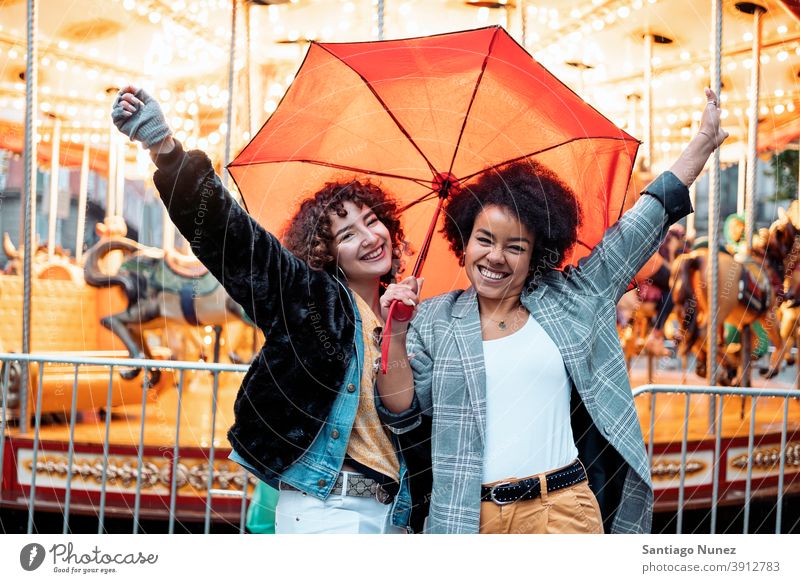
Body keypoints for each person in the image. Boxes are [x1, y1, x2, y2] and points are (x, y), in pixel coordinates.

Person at [375, 88, 728, 534]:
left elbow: (639, 227)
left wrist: (699, 147)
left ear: (536, 253)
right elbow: (401, 409)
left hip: (561, 513)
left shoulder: (571, 297)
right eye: (484, 240)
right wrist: (397, 333)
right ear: (463, 244)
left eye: (515, 247)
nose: (496, 257)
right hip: (465, 520)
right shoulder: (434, 319)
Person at [111, 85, 429, 534]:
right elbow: (237, 241)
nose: (369, 237)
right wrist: (164, 148)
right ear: (327, 252)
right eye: (348, 234)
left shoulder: (417, 317)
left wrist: (400, 327)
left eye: (372, 221)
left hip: (395, 513)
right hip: (328, 509)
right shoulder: (313, 299)